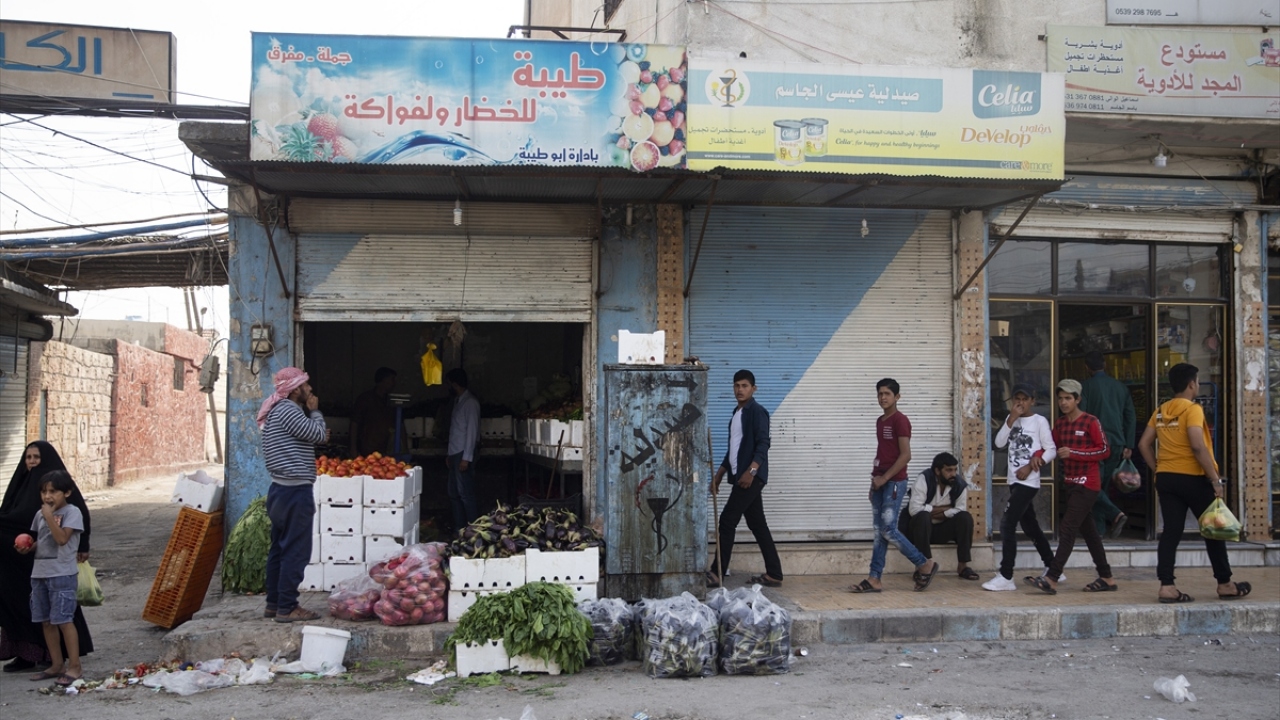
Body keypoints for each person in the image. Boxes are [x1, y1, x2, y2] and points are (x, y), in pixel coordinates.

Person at [1137, 363, 1251, 604]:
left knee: (1171, 532)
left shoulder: (1161, 410)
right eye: (1197, 382)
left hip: (1167, 479)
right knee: (1214, 530)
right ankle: (1225, 584)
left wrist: (1158, 469)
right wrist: (1215, 480)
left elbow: (1144, 444)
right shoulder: (1193, 409)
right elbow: (1198, 446)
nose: (1197, 385)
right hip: (1193, 478)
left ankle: (1167, 586)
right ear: (1191, 384)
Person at [0, 441, 93, 673]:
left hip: (57, 567)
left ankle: (65, 661)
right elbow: (18, 520)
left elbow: (76, 518)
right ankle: (29, 655)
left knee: (59, 615)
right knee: (34, 613)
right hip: (26, 565)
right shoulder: (21, 486)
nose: (31, 462)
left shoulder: (62, 497)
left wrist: (83, 543)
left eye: (36, 458)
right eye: (28, 457)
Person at [850, 379, 939, 593]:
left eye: (887, 393)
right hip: (880, 482)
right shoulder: (881, 420)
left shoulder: (900, 420)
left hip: (895, 482)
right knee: (879, 531)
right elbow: (882, 453)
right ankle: (874, 578)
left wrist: (885, 478)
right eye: (880, 393)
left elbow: (906, 455)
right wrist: (874, 481)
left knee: (889, 529)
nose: (883, 397)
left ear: (897, 397)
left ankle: (924, 564)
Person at [1028, 379, 1117, 594]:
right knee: (1090, 533)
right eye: (1060, 398)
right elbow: (1052, 446)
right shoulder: (1060, 424)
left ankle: (1052, 577)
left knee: (1067, 529)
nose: (1063, 402)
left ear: (1077, 399)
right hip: (1070, 483)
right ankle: (1107, 577)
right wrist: (1038, 456)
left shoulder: (1090, 422)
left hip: (1088, 484)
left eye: (1068, 398)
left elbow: (1104, 450)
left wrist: (1076, 453)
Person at [259, 366, 329, 623]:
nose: (310, 389)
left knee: (279, 548)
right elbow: (319, 435)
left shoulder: (279, 412)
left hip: (280, 490)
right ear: (295, 388)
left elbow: (307, 435)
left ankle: (274, 604)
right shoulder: (289, 410)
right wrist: (315, 411)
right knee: (295, 551)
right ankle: (287, 607)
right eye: (306, 385)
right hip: (294, 491)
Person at [707, 370, 783, 588]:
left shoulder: (757, 412)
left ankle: (716, 572)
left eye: (745, 386)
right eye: (737, 386)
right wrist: (719, 475)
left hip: (750, 478)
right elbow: (734, 449)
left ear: (753, 389)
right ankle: (774, 573)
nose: (740, 390)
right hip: (742, 477)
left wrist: (751, 472)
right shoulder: (737, 413)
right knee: (757, 524)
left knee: (727, 521)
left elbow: (763, 444)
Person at [986, 383, 1058, 592]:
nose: (1020, 402)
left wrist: (1033, 464)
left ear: (1032, 401)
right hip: (1013, 481)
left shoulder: (1039, 421)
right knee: (1030, 526)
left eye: (1024, 399)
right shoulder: (1012, 421)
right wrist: (1010, 419)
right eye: (1017, 399)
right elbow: (998, 444)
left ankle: (1006, 575)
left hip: (1028, 482)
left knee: (1007, 524)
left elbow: (1051, 449)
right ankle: (1054, 567)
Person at [14, 470, 84, 686]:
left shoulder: (73, 512)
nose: (47, 496)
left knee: (64, 620)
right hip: (40, 574)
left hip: (62, 574)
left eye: (53, 491)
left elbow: (62, 539)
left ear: (67, 492)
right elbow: (43, 541)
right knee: (46, 622)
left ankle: (75, 666)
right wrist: (27, 548)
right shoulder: (40, 514)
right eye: (44, 491)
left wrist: (49, 517)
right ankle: (56, 664)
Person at [1079, 351, 1137, 538]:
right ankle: (1100, 528)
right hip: (1117, 443)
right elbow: (1130, 417)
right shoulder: (1121, 387)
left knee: (1091, 486)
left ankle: (1109, 519)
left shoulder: (1085, 387)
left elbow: (1083, 415)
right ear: (1105, 365)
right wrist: (1129, 444)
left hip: (1094, 444)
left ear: (1087, 367)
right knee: (1101, 487)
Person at [898, 452, 977, 580]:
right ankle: (923, 566)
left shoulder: (959, 484)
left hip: (941, 530)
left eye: (955, 470)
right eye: (948, 470)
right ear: (937, 471)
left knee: (965, 518)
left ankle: (963, 566)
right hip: (918, 531)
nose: (953, 474)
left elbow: (960, 509)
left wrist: (941, 511)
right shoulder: (923, 479)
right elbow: (914, 510)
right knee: (923, 516)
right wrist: (946, 509)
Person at [446, 368, 480, 532]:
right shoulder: (458, 401)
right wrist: (449, 455)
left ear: (454, 384)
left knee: (465, 493)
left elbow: (472, 432)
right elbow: (456, 431)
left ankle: (472, 528)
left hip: (463, 453)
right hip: (455, 452)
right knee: (453, 493)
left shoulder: (471, 403)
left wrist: (466, 457)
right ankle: (459, 527)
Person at [350, 366, 398, 457]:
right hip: (366, 450)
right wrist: (353, 448)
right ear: (383, 380)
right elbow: (354, 423)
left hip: (385, 451)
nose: (394, 383)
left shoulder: (390, 402)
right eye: (392, 379)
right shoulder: (365, 399)